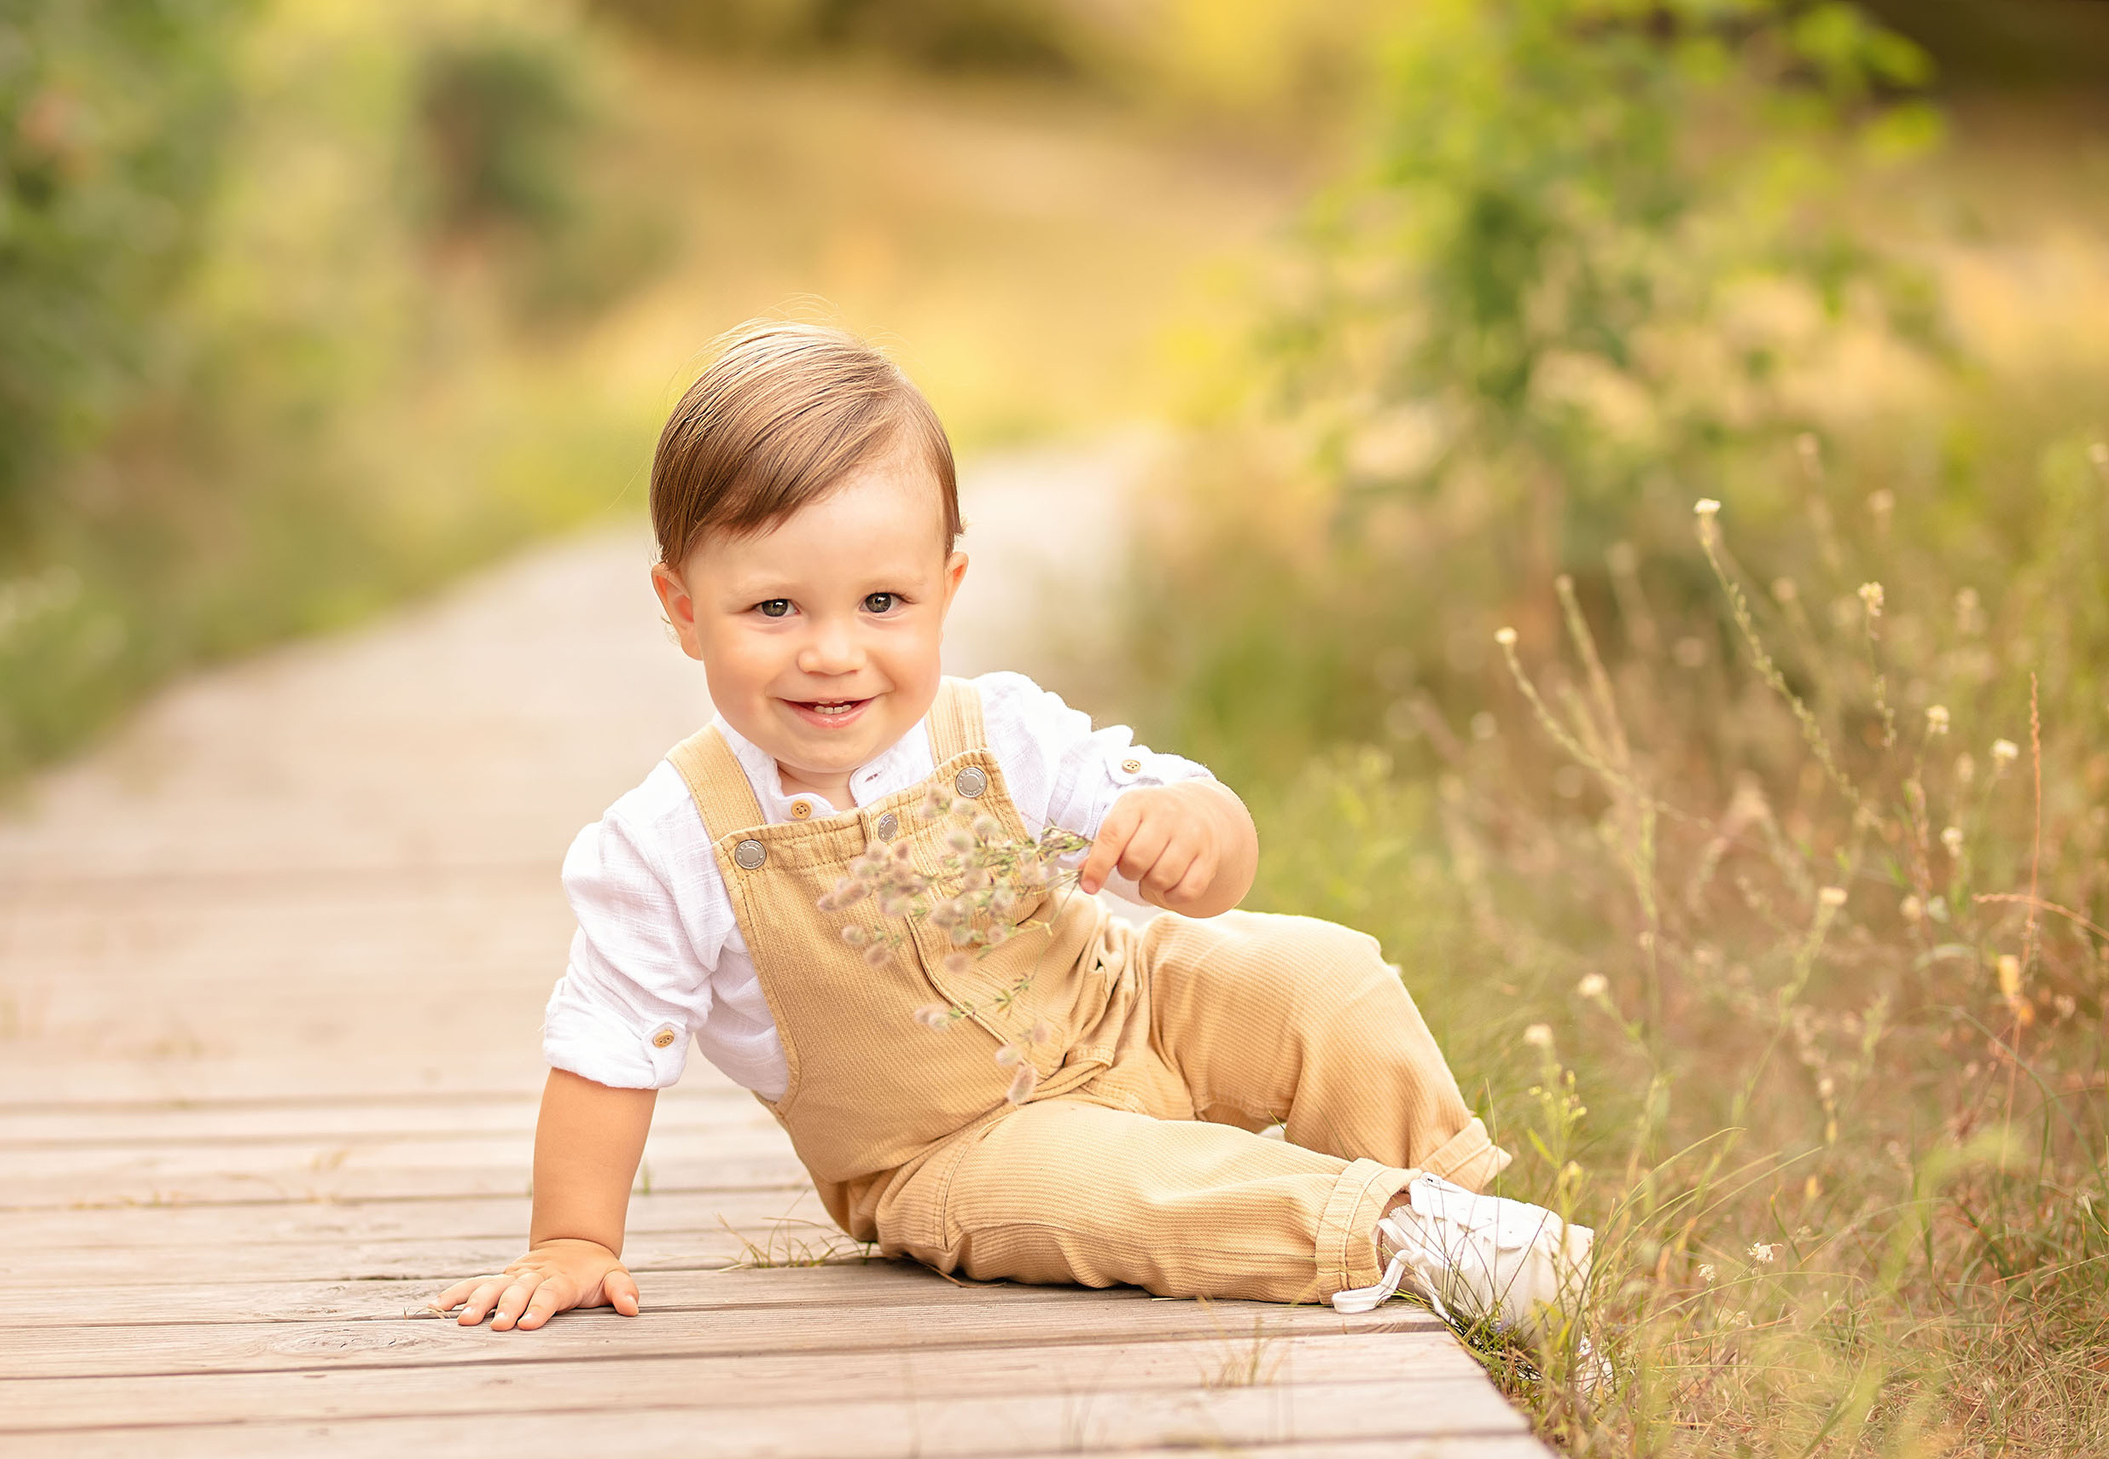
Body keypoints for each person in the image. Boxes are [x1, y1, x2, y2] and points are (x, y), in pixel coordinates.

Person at [432, 322, 1591, 1339]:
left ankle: (1460, 1209)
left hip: (1127, 1005)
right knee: (1129, 1186)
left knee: (1322, 972)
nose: (832, 650)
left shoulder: (1002, 733)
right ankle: (1406, 1238)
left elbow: (1204, 846)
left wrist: (1191, 831)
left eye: (881, 603)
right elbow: (608, 1043)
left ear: (946, 583)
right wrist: (574, 1238)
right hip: (955, 1152)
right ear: (684, 608)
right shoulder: (671, 839)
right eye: (773, 606)